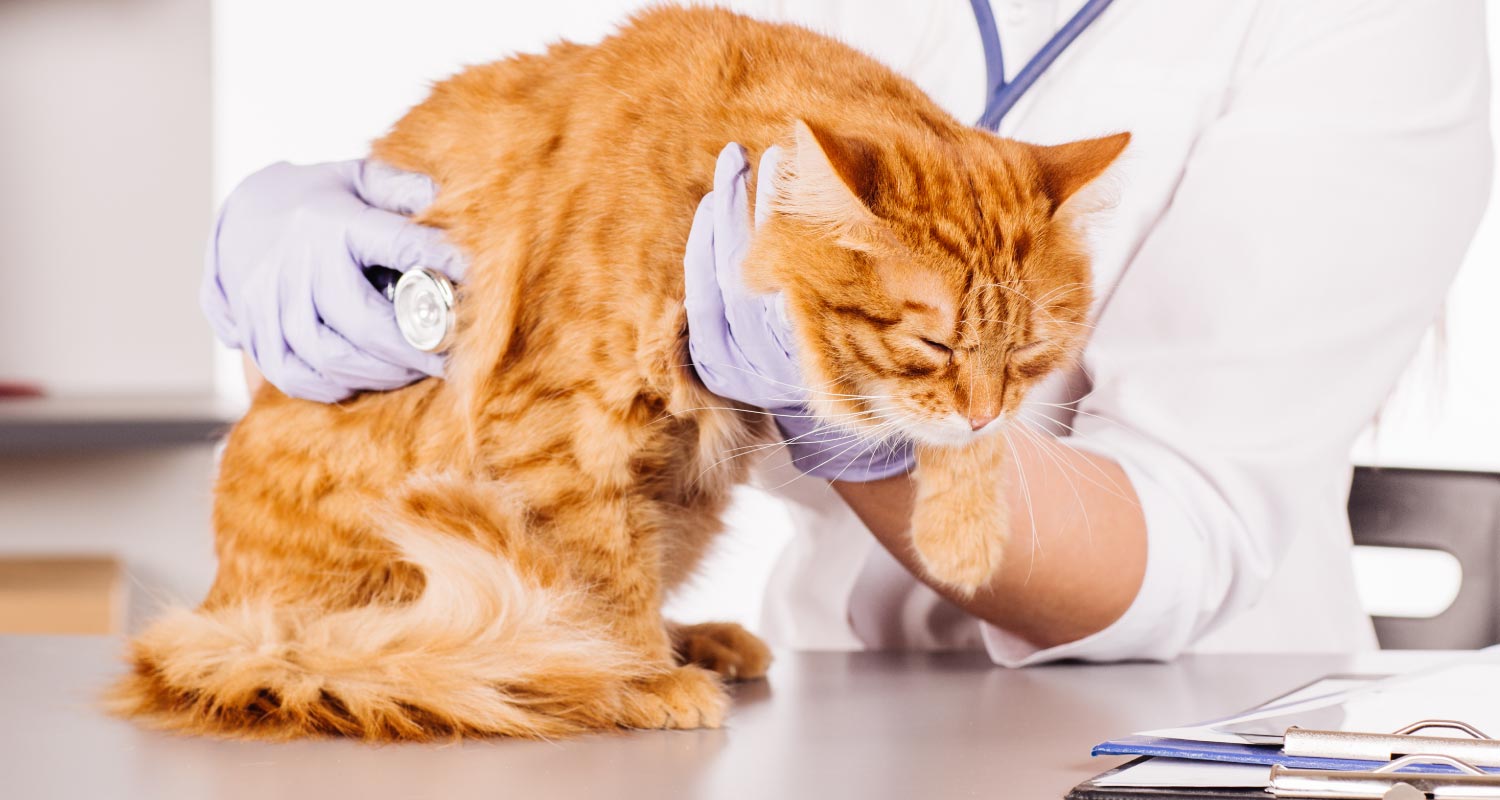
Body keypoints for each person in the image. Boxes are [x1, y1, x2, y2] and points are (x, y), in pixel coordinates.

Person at [201, 0, 1492, 666]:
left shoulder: (1370, 26)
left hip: (1189, 722)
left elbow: (1186, 542)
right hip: (824, 708)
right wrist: (387, 239)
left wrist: (868, 431)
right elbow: (609, 198)